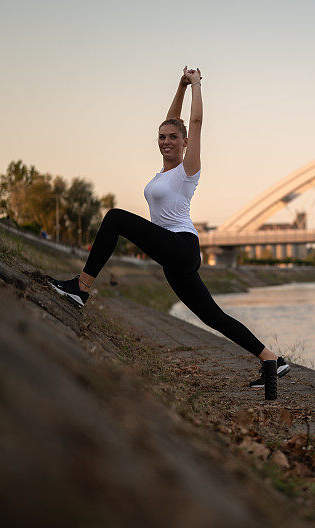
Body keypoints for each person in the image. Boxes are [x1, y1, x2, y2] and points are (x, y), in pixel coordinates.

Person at [48, 66, 289, 389]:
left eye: (173, 137)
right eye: (161, 137)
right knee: (212, 316)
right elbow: (172, 120)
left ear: (185, 143)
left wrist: (197, 85)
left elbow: (195, 123)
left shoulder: (187, 170)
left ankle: (81, 288)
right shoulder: (162, 175)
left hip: (181, 245)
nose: (166, 141)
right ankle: (270, 359)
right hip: (174, 257)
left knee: (115, 218)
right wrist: (180, 86)